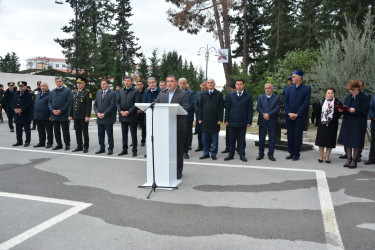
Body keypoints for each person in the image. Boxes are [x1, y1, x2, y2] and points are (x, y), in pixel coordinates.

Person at [156, 74, 189, 179]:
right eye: (168, 81)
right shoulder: (162, 93)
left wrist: (173, 111)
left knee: (178, 149)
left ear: (176, 83)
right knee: (165, 149)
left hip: (178, 125)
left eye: (171, 81)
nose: (169, 83)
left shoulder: (183, 94)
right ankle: (166, 168)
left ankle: (178, 170)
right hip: (164, 126)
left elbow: (185, 108)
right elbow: (156, 105)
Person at [337, 80, 369, 169]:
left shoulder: (364, 97)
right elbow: (346, 107)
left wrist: (355, 110)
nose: (351, 91)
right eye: (350, 90)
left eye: (353, 89)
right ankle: (348, 159)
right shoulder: (348, 97)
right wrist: (342, 110)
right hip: (348, 121)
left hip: (358, 122)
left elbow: (365, 110)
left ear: (357, 88)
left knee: (356, 141)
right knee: (347, 140)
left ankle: (354, 160)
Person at [284, 70, 311, 161]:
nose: (292, 78)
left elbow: (305, 103)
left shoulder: (306, 89)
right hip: (289, 116)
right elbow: (285, 101)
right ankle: (291, 152)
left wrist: (297, 114)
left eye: (294, 77)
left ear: (299, 78)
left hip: (299, 117)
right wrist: (289, 113)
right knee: (290, 135)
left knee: (297, 135)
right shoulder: (289, 88)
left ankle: (296, 153)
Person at [224, 78, 253, 162]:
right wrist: (226, 120)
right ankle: (231, 154)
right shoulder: (230, 95)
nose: (239, 86)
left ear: (243, 85)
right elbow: (227, 108)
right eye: (237, 84)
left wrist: (249, 121)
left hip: (243, 121)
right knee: (231, 139)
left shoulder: (248, 96)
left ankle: (242, 154)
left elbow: (250, 109)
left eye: (240, 84)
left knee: (241, 139)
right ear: (235, 85)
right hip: (232, 121)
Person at [198, 78, 224, 160]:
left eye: (211, 82)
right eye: (208, 83)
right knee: (204, 139)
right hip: (205, 120)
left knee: (214, 139)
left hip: (215, 120)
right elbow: (200, 107)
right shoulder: (203, 94)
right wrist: (199, 118)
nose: (209, 84)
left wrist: (220, 119)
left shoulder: (219, 94)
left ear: (214, 84)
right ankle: (205, 153)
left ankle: (213, 153)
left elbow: (221, 108)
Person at [314, 87, 342, 163]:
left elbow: (340, 113)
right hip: (322, 124)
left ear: (334, 94)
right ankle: (320, 157)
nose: (330, 94)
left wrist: (339, 112)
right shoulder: (321, 102)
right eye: (328, 93)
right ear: (326, 94)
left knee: (330, 141)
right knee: (321, 141)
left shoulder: (338, 102)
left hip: (332, 124)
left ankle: (327, 157)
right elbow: (317, 112)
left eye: (332, 93)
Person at [117, 76, 141, 157]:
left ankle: (134, 150)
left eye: (128, 81)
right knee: (124, 134)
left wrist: (128, 112)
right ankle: (124, 149)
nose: (126, 82)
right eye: (125, 81)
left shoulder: (135, 91)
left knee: (133, 134)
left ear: (132, 82)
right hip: (123, 116)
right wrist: (120, 111)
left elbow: (136, 104)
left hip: (132, 116)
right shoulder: (121, 91)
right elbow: (117, 103)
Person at [256, 83, 280, 161]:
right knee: (261, 138)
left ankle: (271, 154)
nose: (267, 90)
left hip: (272, 120)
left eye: (269, 88)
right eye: (266, 88)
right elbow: (258, 107)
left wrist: (269, 114)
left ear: (272, 89)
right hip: (262, 120)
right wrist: (264, 114)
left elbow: (277, 109)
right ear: (264, 89)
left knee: (272, 139)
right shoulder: (260, 97)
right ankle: (261, 154)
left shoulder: (276, 98)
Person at [69, 76, 93, 153]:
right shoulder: (74, 92)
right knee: (77, 131)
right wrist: (70, 115)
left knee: (85, 132)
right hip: (76, 116)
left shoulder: (87, 92)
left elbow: (89, 105)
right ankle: (79, 145)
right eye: (77, 83)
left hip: (83, 116)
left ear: (84, 84)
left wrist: (87, 116)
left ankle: (86, 146)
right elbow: (72, 105)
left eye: (80, 83)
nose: (78, 85)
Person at [94, 79, 117, 155]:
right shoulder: (98, 93)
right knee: (100, 134)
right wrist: (97, 113)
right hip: (99, 118)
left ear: (108, 85)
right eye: (101, 84)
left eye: (104, 84)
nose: (102, 85)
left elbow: (112, 105)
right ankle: (102, 148)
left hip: (108, 118)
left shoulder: (112, 93)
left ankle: (110, 148)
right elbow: (95, 105)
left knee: (109, 134)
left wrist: (104, 114)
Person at [48, 77, 72, 151]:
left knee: (65, 130)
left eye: (60, 81)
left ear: (63, 82)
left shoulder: (67, 91)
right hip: (54, 114)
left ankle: (67, 144)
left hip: (63, 114)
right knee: (56, 130)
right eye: (57, 81)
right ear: (55, 83)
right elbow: (49, 102)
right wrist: (52, 110)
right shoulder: (52, 92)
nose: (58, 83)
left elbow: (68, 102)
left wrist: (61, 110)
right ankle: (59, 144)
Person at [11, 81, 33, 147]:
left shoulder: (29, 94)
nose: (20, 87)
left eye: (22, 86)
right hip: (17, 114)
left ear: (26, 86)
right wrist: (14, 109)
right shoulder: (16, 94)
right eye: (19, 86)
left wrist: (22, 109)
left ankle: (27, 141)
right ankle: (19, 141)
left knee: (27, 129)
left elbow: (29, 104)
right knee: (18, 129)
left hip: (25, 114)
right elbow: (12, 103)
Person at [178, 78, 195, 159]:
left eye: (183, 83)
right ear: (178, 84)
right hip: (177, 116)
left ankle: (185, 151)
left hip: (187, 117)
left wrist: (183, 109)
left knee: (186, 135)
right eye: (180, 83)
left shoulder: (190, 93)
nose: (182, 84)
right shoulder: (174, 92)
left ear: (186, 84)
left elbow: (192, 103)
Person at [33, 82, 53, 148]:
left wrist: (51, 115)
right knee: (40, 130)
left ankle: (49, 142)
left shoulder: (50, 95)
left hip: (46, 116)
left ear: (48, 87)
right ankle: (41, 142)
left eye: (44, 86)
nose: (42, 87)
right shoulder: (38, 94)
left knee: (49, 131)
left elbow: (52, 105)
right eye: (41, 86)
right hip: (38, 115)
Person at [222, 81, 236, 153]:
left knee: (239, 135)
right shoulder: (229, 95)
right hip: (229, 117)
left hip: (238, 118)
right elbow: (225, 105)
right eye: (232, 88)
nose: (233, 89)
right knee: (228, 134)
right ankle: (228, 147)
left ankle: (238, 148)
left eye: (234, 88)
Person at [193, 81, 207, 151]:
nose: (204, 86)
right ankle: (200, 146)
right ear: (200, 85)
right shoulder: (198, 93)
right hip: (199, 116)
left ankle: (207, 146)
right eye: (203, 85)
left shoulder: (209, 93)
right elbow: (195, 104)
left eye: (205, 85)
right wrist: (199, 113)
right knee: (199, 132)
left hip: (207, 116)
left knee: (207, 132)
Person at [365, 94, 375, 165]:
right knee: (373, 143)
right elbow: (370, 108)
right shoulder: (374, 97)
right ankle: (371, 159)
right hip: (374, 124)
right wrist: (373, 117)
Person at [136, 80, 146, 147]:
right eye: (138, 84)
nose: (139, 85)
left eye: (141, 84)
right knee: (134, 127)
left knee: (143, 128)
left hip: (142, 113)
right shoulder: (135, 92)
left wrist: (141, 110)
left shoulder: (145, 93)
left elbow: (145, 102)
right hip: (135, 112)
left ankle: (143, 140)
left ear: (143, 85)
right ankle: (134, 141)